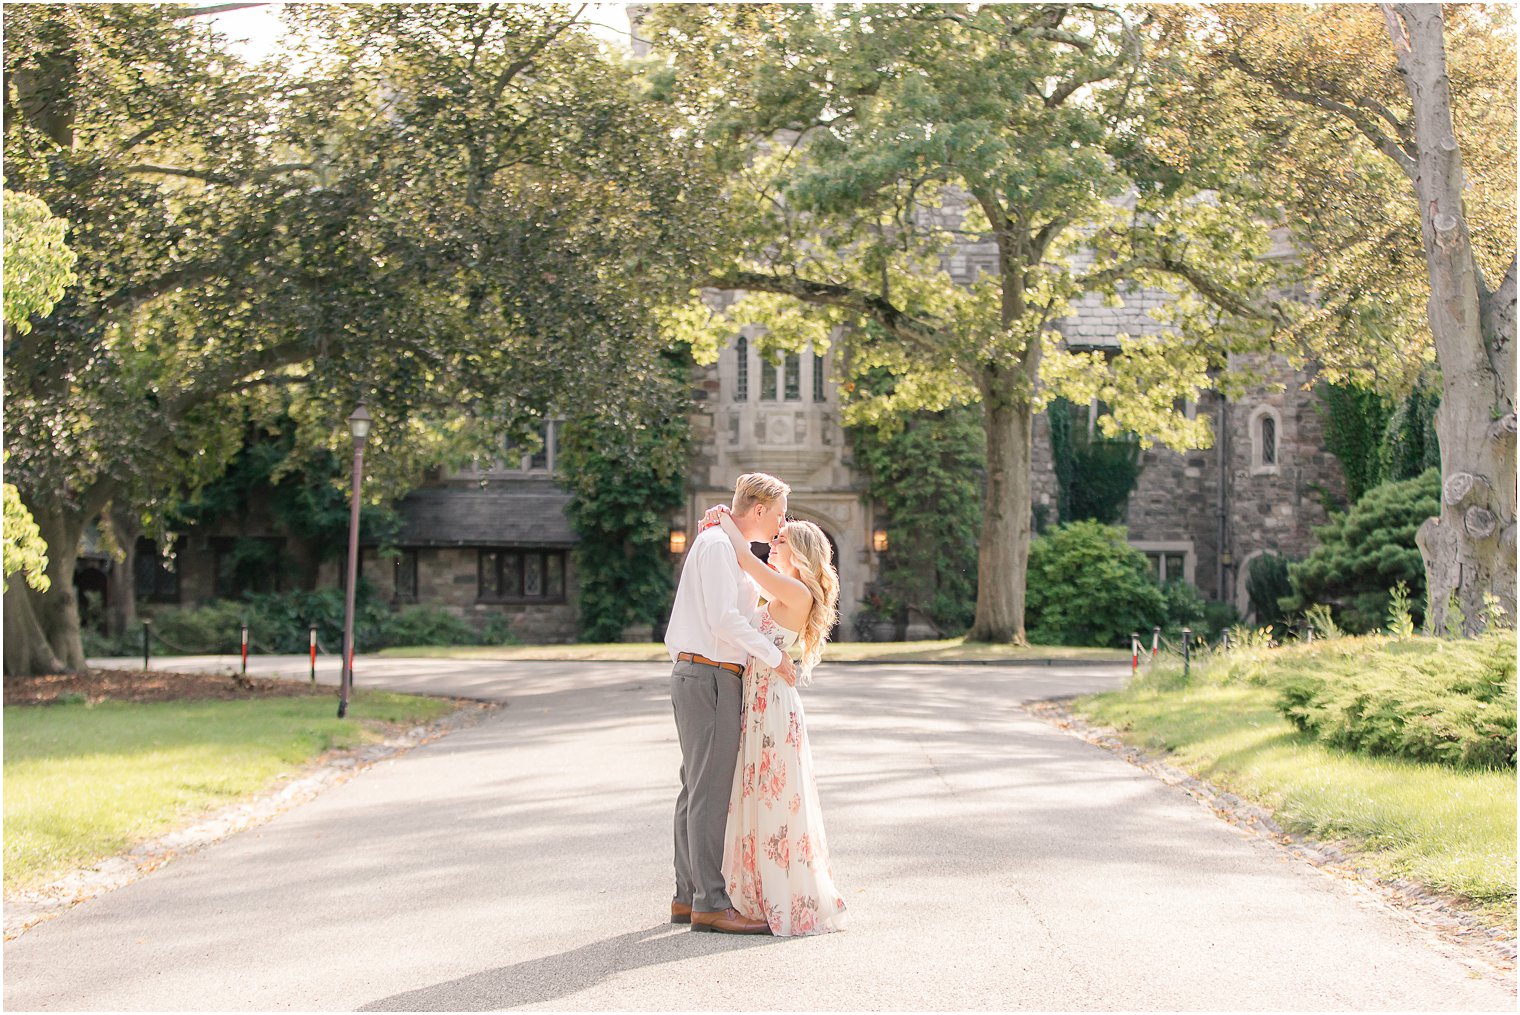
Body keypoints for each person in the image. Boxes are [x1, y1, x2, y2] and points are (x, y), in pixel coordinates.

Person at [663, 473, 797, 934]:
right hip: (711, 676)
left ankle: (688, 896)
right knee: (710, 792)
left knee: (695, 789)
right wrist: (777, 657)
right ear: (758, 509)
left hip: (699, 674)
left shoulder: (724, 543)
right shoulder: (719, 546)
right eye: (779, 513)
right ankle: (710, 904)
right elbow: (725, 619)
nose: (782, 522)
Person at [710, 508, 849, 936]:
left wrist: (723, 520)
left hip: (772, 704)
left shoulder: (795, 590)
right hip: (761, 700)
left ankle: (783, 895)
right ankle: (757, 889)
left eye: (782, 540)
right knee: (758, 794)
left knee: (774, 799)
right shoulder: (784, 589)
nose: (773, 542)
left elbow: (745, 559)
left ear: (801, 553)